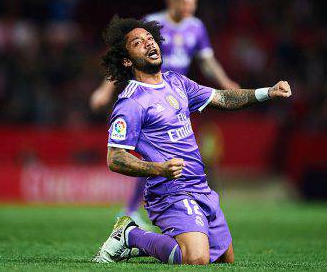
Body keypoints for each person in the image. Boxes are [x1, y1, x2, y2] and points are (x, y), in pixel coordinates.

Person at [93, 16, 292, 264]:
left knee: (223, 261)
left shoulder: (177, 82)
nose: (149, 43)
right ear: (126, 60)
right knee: (196, 259)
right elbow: (115, 158)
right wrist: (158, 169)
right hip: (170, 191)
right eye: (138, 43)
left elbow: (223, 98)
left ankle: (147, 242)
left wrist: (267, 92)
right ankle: (131, 235)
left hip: (200, 186)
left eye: (150, 38)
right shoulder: (131, 102)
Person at [90, 0, 239, 226]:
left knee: (176, 156)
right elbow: (123, 54)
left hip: (177, 95)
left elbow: (207, 62)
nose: (190, 8)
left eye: (194, 3)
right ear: (171, 1)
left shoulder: (196, 27)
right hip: (149, 98)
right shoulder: (152, 24)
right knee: (152, 155)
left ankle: (172, 207)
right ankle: (133, 211)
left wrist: (226, 82)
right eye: (185, 3)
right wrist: (104, 90)